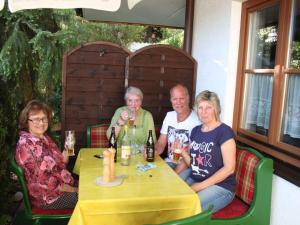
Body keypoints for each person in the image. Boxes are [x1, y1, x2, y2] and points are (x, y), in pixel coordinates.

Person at [180, 90, 236, 213]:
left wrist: (198, 187)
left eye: (208, 108)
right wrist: (181, 151)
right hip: (197, 178)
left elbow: (229, 169)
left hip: (221, 187)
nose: (203, 112)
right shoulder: (195, 131)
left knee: (186, 206)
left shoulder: (224, 132)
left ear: (216, 109)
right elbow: (194, 164)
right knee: (172, 195)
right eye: (200, 108)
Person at [15, 100, 78, 209]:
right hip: (48, 199)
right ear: (26, 121)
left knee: (91, 185)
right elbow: (50, 184)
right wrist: (75, 190)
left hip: (62, 187)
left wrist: (69, 148)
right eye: (35, 119)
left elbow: (62, 162)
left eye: (44, 118)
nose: (41, 123)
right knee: (90, 197)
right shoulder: (28, 146)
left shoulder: (43, 138)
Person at [155, 84, 200, 176]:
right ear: (171, 100)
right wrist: (153, 150)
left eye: (181, 98)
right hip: (169, 163)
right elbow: (161, 142)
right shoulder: (169, 116)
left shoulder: (197, 121)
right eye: (175, 99)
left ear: (188, 99)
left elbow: (192, 156)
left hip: (186, 167)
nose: (178, 102)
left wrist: (173, 175)